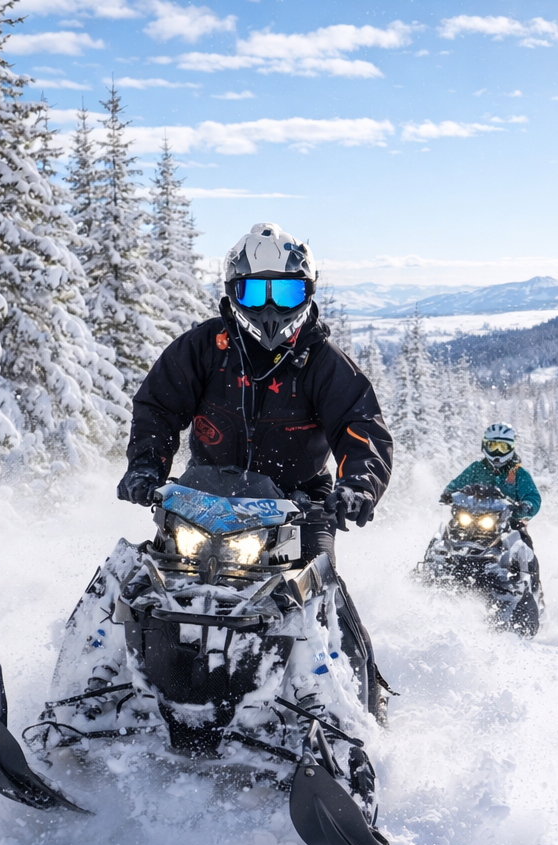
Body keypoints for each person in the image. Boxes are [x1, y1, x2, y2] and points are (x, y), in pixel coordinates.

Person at [116, 222, 392, 680]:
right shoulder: (206, 347)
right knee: (131, 574)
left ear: (305, 294)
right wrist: (145, 467)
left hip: (298, 510)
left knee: (323, 593)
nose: (268, 308)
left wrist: (357, 487)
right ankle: (90, 681)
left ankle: (354, 699)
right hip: (201, 504)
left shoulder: (323, 362)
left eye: (283, 294)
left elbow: (361, 427)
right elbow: (158, 406)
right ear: (232, 293)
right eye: (254, 293)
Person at [440, 423, 542, 520]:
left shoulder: (518, 474)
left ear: (511, 448)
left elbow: (532, 496)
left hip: (508, 523)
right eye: (493, 446)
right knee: (448, 530)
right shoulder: (476, 468)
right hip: (470, 519)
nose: (497, 451)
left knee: (521, 536)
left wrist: (526, 506)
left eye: (503, 447)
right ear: (484, 445)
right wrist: (449, 494)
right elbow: (455, 486)